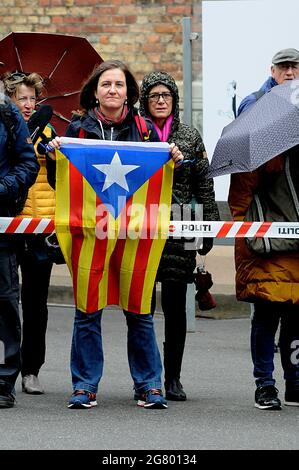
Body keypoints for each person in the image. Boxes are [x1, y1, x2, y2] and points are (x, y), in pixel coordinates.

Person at [46, 60, 183, 410]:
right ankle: (85, 385)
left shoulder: (146, 130)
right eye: (106, 84)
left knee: (139, 307)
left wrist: (173, 160)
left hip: (134, 231)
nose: (112, 90)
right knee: (87, 308)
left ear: (128, 92)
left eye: (119, 85)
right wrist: (54, 159)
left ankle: (149, 384)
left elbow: (162, 179)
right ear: (95, 90)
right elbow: (57, 183)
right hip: (91, 232)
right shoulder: (76, 130)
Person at [139, 71, 219, 401]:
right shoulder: (136, 134)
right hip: (142, 225)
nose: (160, 100)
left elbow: (205, 182)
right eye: (154, 95)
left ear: (174, 100)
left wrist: (208, 226)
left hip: (181, 222)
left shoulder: (189, 135)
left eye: (166, 95)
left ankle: (173, 378)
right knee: (141, 310)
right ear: (145, 101)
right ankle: (146, 378)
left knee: (175, 308)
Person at [228, 144, 299, 411]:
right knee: (267, 318)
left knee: (292, 319)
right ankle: (266, 384)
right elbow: (241, 201)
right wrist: (251, 235)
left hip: (283, 247)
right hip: (266, 248)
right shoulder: (258, 152)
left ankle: (292, 383)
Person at [2, 71, 56, 395]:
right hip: (10, 224)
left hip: (40, 227)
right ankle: (8, 364)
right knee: (7, 301)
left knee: (36, 302)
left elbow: (61, 179)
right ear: (9, 100)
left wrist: (54, 156)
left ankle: (31, 369)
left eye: (32, 98)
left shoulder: (48, 132)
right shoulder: (4, 132)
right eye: (21, 98)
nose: (27, 104)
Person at [0, 86, 39, 408]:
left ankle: (4, 380)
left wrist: (2, 189)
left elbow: (28, 166)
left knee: (5, 304)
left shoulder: (7, 112)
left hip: (1, 228)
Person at [238, 48, 299, 115]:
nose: (289, 73)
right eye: (284, 67)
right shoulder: (254, 102)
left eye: (294, 67)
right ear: (273, 71)